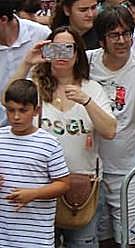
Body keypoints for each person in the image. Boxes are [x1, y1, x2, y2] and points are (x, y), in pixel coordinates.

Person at [26, 25, 114, 247]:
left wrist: (87, 101)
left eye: (68, 49)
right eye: (56, 49)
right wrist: (27, 63)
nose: (62, 55)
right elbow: (8, 103)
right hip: (41, 186)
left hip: (82, 188)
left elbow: (110, 131)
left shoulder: (92, 88)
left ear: (78, 54)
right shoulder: (35, 84)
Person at [86, 5, 135, 247]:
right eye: (114, 35)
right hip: (91, 166)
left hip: (128, 165)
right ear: (102, 39)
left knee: (127, 239)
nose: (122, 41)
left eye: (126, 33)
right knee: (96, 237)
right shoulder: (87, 61)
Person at [0, 79, 71, 248]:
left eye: (23, 110)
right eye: (11, 110)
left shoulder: (49, 143)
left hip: (36, 237)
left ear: (36, 111)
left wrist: (34, 193)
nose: (16, 117)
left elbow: (63, 183)